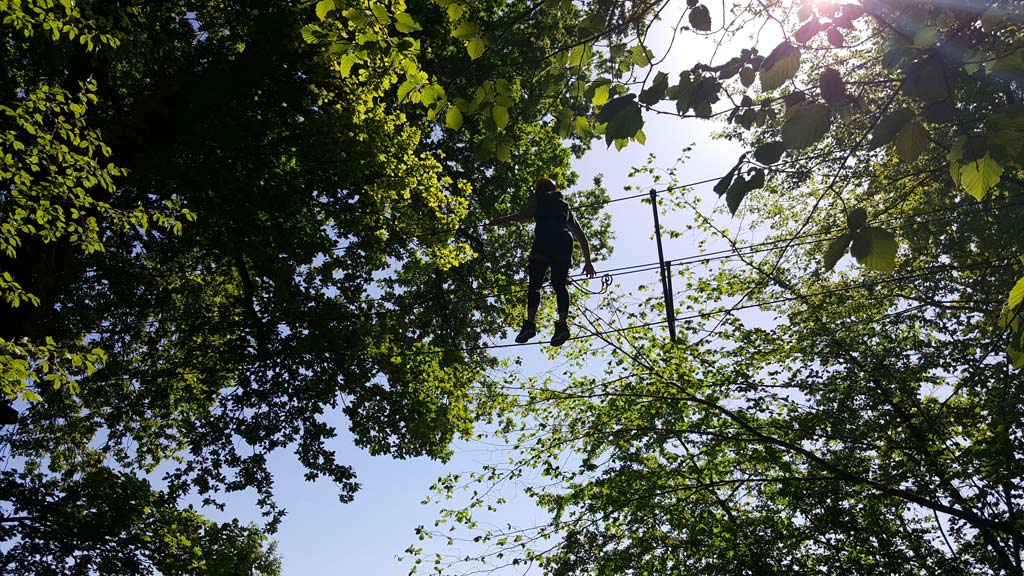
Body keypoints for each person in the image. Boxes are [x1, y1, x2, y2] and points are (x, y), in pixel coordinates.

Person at [489, 178, 595, 346]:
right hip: (563, 243)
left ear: (538, 189)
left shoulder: (538, 198)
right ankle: (562, 326)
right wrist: (588, 262)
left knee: (535, 285)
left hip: (543, 242)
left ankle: (529, 324)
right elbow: (581, 235)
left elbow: (524, 215)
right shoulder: (564, 205)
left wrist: (501, 219)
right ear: (555, 189)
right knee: (559, 285)